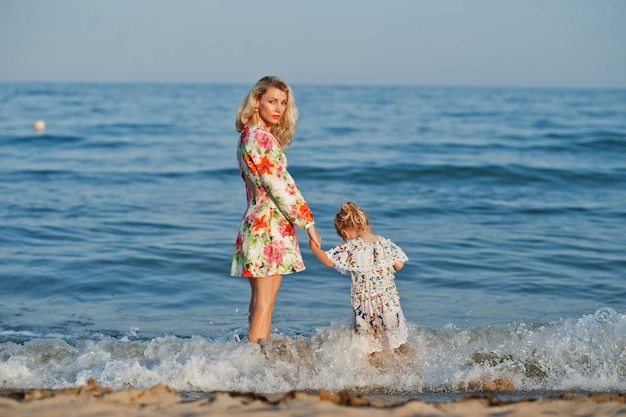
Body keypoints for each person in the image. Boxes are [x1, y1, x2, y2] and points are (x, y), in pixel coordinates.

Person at [231, 76, 321, 344]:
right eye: (272, 101)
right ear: (256, 101)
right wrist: (308, 224)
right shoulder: (263, 139)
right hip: (270, 227)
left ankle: (251, 368)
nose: (279, 108)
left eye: (283, 103)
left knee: (258, 304)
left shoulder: (246, 137)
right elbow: (281, 186)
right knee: (265, 306)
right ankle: (255, 371)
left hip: (254, 223)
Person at [309, 202, 409, 359]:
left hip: (367, 306)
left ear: (345, 234)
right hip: (390, 304)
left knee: (369, 347)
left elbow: (329, 261)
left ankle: (370, 377)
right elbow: (399, 265)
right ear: (367, 225)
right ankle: (391, 374)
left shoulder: (352, 248)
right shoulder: (385, 243)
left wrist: (314, 248)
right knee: (386, 343)